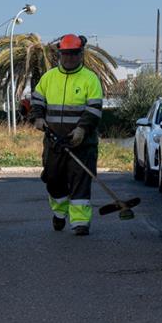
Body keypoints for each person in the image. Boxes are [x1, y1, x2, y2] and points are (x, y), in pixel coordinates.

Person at [30, 34, 103, 236]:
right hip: (54, 142)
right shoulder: (48, 77)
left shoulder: (90, 79)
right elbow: (37, 101)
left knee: (80, 182)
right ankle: (60, 213)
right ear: (59, 54)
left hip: (82, 143)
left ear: (81, 54)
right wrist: (37, 118)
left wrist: (81, 130)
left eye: (74, 54)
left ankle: (80, 222)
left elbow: (94, 110)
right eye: (66, 54)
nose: (69, 58)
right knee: (53, 179)